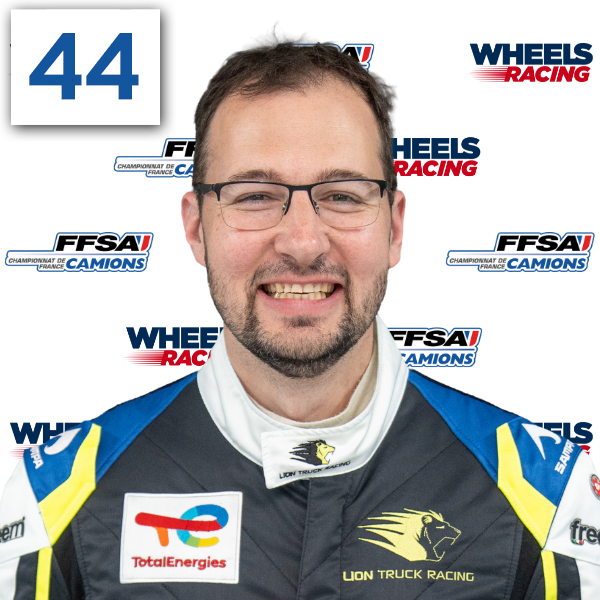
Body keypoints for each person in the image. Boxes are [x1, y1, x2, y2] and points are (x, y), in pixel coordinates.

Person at [0, 42, 598, 600]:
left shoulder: (546, 499)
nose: (303, 242)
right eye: (254, 196)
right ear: (196, 227)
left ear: (393, 226)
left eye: (342, 195)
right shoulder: (56, 501)